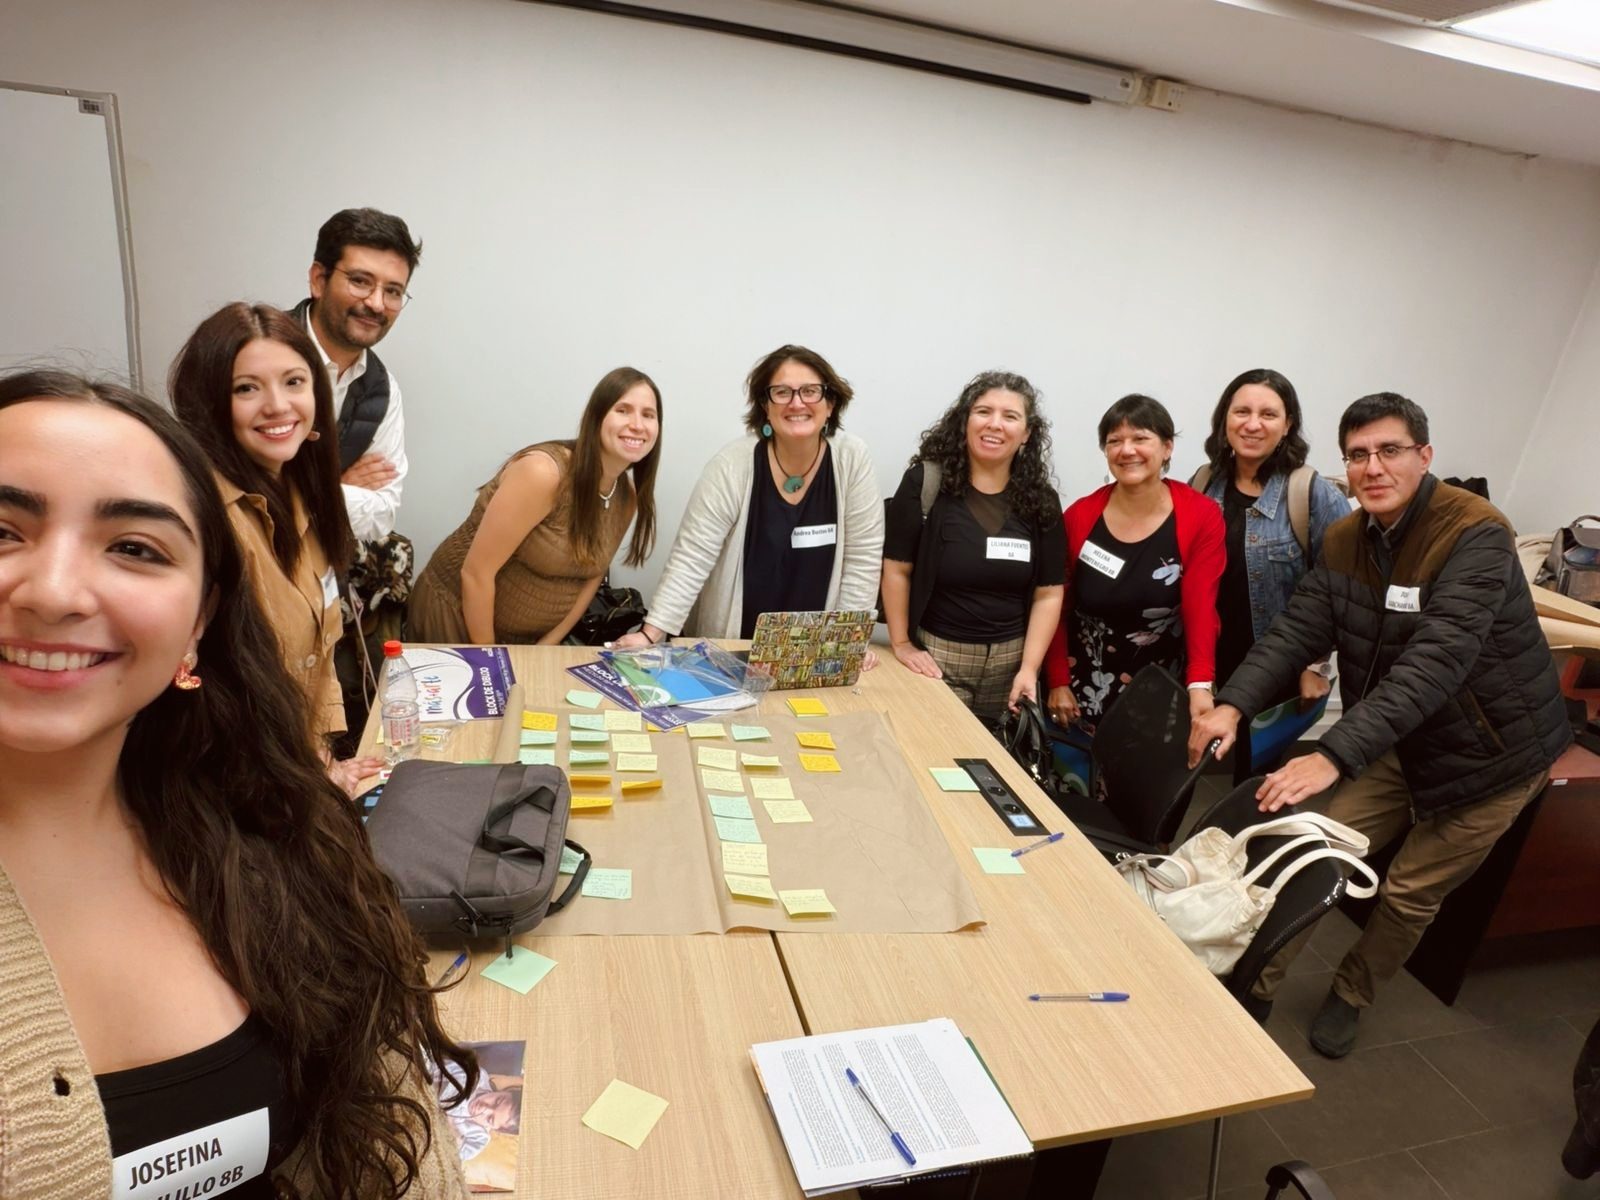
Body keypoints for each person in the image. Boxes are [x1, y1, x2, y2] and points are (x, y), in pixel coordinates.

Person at [0, 370, 476, 1198]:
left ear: (200, 621)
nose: (53, 592)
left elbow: (394, 1130)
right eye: (2, 530)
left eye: (134, 548)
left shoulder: (277, 833)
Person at [1188, 392, 1570, 1058]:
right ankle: (1257, 984)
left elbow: (1437, 660)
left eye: (1390, 450)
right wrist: (1232, 703)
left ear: (1424, 455)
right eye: (1358, 455)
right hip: (1402, 735)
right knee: (1316, 853)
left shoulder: (1475, 532)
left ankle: (1352, 993)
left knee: (1408, 893)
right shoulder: (1347, 538)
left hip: (1494, 754)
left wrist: (1334, 754)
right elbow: (1296, 631)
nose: (1373, 467)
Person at [168, 303, 379, 793]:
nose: (279, 406)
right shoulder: (200, 519)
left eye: (294, 382)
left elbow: (314, 658)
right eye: (247, 388)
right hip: (231, 789)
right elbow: (215, 698)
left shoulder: (303, 492)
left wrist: (323, 761)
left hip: (293, 773)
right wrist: (308, 781)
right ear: (209, 402)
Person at [616, 345, 884, 644]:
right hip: (731, 647)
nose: (797, 403)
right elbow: (692, 556)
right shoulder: (731, 465)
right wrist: (650, 634)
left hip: (816, 652)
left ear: (830, 403)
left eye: (810, 391)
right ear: (765, 405)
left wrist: (848, 642)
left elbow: (863, 560)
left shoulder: (852, 458)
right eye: (782, 392)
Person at [408, 367, 662, 644]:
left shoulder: (626, 497)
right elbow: (476, 574)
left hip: (528, 641)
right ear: (596, 417)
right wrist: (492, 657)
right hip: (455, 619)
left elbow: (593, 577)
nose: (637, 425)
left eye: (648, 415)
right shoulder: (544, 473)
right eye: (623, 410)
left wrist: (547, 645)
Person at [1192, 368, 1350, 780]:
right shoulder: (1204, 482)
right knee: (1189, 763)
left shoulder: (1312, 493)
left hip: (1276, 662)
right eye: (1241, 411)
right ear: (1224, 418)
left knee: (1256, 779)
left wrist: (1315, 665)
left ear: (1288, 424)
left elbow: (1339, 590)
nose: (1253, 424)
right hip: (1208, 658)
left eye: (1268, 414)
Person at [881, 371, 1064, 721]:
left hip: (1012, 668)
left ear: (1026, 433)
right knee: (934, 749)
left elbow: (1049, 593)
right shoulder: (926, 483)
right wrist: (901, 643)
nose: (995, 424)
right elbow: (896, 569)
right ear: (965, 421)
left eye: (1010, 416)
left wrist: (1029, 669)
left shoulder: (1041, 499)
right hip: (938, 659)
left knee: (996, 756)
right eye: (983, 412)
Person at [1043, 395, 1225, 730]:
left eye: (1140, 438)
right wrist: (1057, 680)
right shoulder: (1079, 516)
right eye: (1115, 441)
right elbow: (1055, 604)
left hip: (1164, 683)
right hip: (1084, 684)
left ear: (1167, 447)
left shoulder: (1201, 515)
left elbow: (1201, 605)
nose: (1127, 450)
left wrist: (1200, 683)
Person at [291, 207, 421, 542]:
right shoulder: (254, 354)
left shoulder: (383, 390)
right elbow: (228, 491)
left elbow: (381, 517)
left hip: (320, 564)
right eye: (360, 281)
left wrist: (310, 496)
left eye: (393, 291)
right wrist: (336, 487)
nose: (377, 303)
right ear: (319, 280)